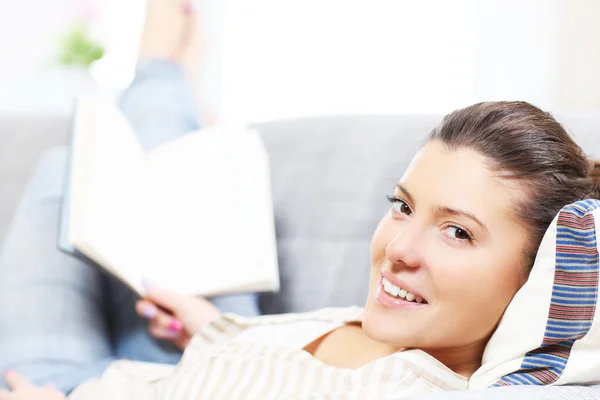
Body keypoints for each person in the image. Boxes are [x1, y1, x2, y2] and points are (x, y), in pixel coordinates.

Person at [3, 4, 600, 400]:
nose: (398, 249)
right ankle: (174, 87)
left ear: (534, 278)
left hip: (78, 388)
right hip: (206, 348)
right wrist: (213, 329)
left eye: (459, 232)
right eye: (403, 205)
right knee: (153, 177)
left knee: (65, 170)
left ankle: (163, 68)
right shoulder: (407, 326)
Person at [0, 0, 260, 394]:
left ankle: (162, 76)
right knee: (129, 165)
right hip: (201, 370)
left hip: (57, 386)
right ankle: (167, 83)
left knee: (63, 168)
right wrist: (226, 341)